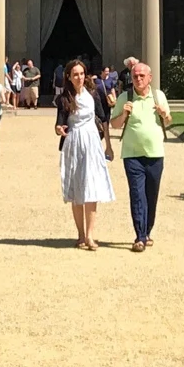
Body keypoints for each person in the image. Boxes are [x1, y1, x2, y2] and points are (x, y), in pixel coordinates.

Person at [110, 61, 172, 252]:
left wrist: (164, 115)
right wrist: (124, 114)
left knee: (151, 195)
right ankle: (140, 236)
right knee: (137, 195)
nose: (138, 79)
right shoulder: (124, 98)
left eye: (141, 76)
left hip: (155, 154)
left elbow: (168, 122)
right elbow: (114, 124)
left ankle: (148, 229)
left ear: (150, 78)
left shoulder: (158, 96)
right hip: (132, 154)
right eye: (135, 76)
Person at [55, 60, 114, 249]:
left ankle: (90, 235)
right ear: (69, 77)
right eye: (75, 74)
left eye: (81, 74)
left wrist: (109, 145)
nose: (79, 77)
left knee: (91, 187)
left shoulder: (94, 93)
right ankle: (80, 234)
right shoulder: (64, 98)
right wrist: (59, 129)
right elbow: (60, 122)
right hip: (74, 143)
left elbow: (104, 119)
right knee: (76, 188)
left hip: (92, 142)